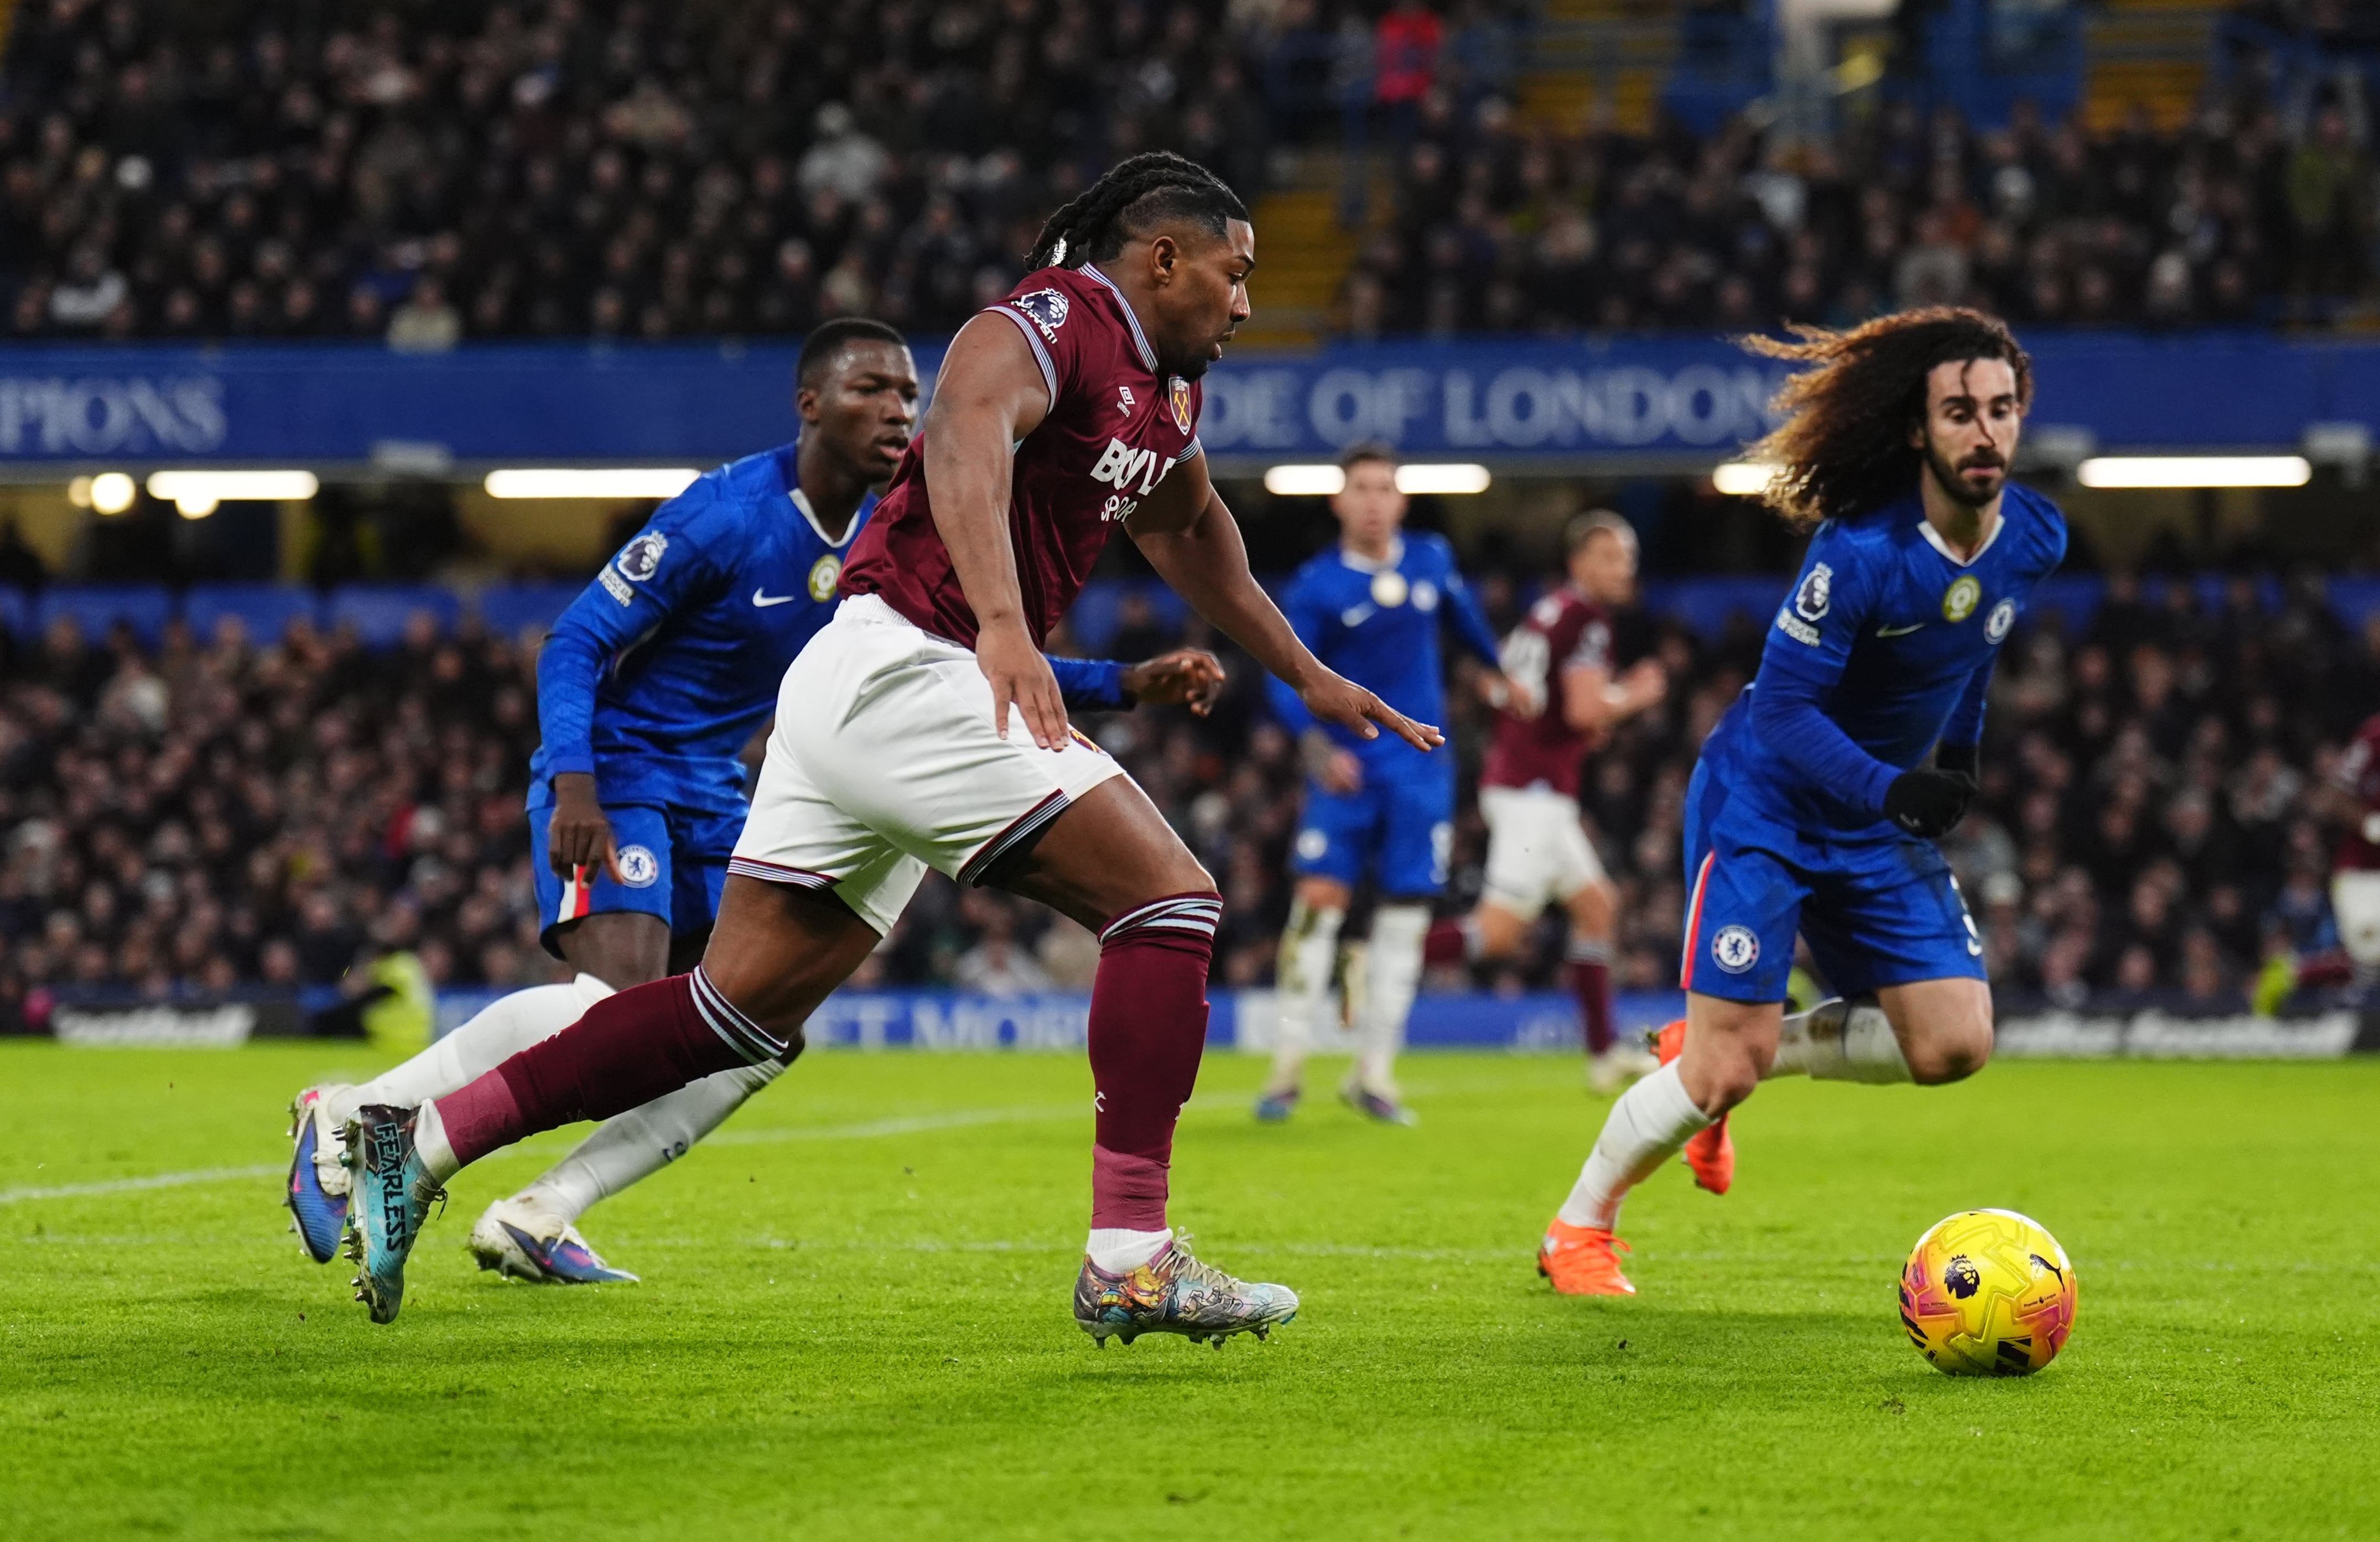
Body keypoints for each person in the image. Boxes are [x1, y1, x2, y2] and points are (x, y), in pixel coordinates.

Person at [335, 152, 1437, 1338]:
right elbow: (966, 441)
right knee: (1167, 903)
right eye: (1236, 272)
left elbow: (1192, 525)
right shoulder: (1049, 320)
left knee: (730, 1016)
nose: (1247, 303)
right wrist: (1009, 627)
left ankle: (419, 1141)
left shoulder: (1166, 392)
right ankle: (1131, 1253)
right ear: (1164, 258)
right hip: (911, 666)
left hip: (870, 685)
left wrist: (1309, 672)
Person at [285, 317, 1224, 1285]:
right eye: (869, 390)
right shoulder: (724, 513)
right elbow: (574, 641)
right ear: (809, 404)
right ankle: (354, 1111)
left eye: (907, 393)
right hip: (618, 775)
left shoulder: (882, 528)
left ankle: (540, 1207)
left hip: (720, 790)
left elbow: (957, 648)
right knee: (611, 1002)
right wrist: (575, 780)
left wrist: (1124, 680)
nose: (898, 411)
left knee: (751, 1029)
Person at [1537, 308, 2067, 1296]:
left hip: (1874, 817)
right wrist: (1890, 784)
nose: (1983, 431)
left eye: (2000, 409)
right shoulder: (1859, 550)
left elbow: (1977, 644)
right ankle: (1578, 1227)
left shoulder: (2033, 535)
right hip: (1768, 805)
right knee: (1715, 1081)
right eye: (1959, 411)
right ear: (1919, 429)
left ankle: (1726, 1043)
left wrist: (1958, 751)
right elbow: (1781, 711)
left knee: (1954, 1044)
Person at [1255, 442, 1504, 1126]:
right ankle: (1286, 1069)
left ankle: (1376, 1074)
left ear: (1401, 500)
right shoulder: (1316, 586)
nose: (1373, 500)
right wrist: (1314, 748)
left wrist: (1496, 672)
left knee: (1405, 918)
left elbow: (1471, 629)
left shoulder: (1432, 561)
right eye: (1361, 487)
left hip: (1421, 771)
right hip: (1349, 769)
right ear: (1339, 500)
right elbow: (1285, 676)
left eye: (1384, 488)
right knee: (1317, 905)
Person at [1424, 511, 1669, 1094]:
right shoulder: (1586, 620)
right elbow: (1585, 710)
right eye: (1611, 556)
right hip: (1532, 792)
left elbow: (1496, 684)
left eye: (1629, 557)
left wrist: (1567, 721)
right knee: (1499, 934)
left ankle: (1604, 1054)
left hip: (1528, 783)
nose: (1624, 568)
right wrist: (1635, 695)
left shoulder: (1548, 611)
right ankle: (1385, 953)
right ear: (1579, 562)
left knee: (1598, 908)